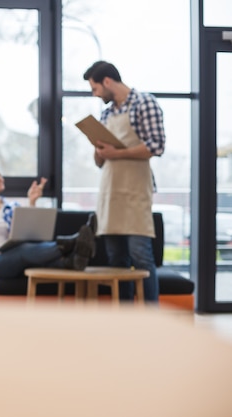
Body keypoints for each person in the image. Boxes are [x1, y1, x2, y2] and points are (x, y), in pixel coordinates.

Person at [83, 60, 166, 303]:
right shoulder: (107, 113)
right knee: (116, 259)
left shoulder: (144, 103)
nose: (95, 94)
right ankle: (125, 318)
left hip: (135, 191)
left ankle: (150, 317)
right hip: (110, 192)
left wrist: (116, 153)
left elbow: (156, 145)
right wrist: (99, 150)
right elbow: (100, 161)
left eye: (95, 88)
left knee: (141, 256)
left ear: (107, 81)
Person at [0, 166, 97, 280]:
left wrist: (32, 201)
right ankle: (73, 243)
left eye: (0, 175)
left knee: (27, 252)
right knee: (22, 252)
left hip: (15, 259)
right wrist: (0, 253)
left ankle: (72, 261)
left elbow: (28, 233)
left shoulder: (13, 208)